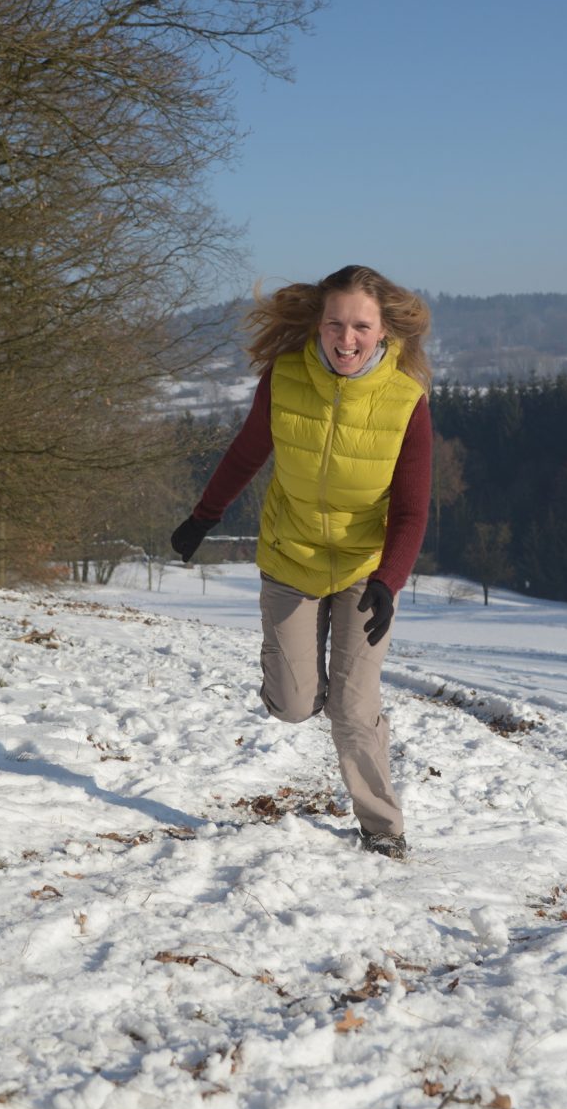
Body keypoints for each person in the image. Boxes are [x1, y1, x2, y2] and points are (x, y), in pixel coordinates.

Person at [170, 264, 433, 860]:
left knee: (354, 708)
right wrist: (203, 518)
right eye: (335, 323)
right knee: (293, 704)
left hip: (364, 572)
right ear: (317, 324)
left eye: (361, 326)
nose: (346, 339)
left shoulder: (406, 402)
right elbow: (244, 455)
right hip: (291, 558)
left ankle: (382, 827)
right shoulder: (285, 378)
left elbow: (412, 512)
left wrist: (390, 581)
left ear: (385, 330)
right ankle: (294, 678)